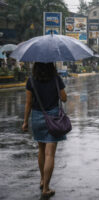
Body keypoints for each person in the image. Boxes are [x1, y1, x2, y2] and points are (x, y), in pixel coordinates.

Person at [22, 62, 67, 198]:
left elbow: (28, 103)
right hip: (53, 118)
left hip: (37, 117)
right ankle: (46, 188)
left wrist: (25, 122)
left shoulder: (31, 80)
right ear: (51, 65)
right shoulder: (56, 79)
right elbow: (64, 98)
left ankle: (42, 180)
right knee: (50, 154)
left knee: (41, 150)